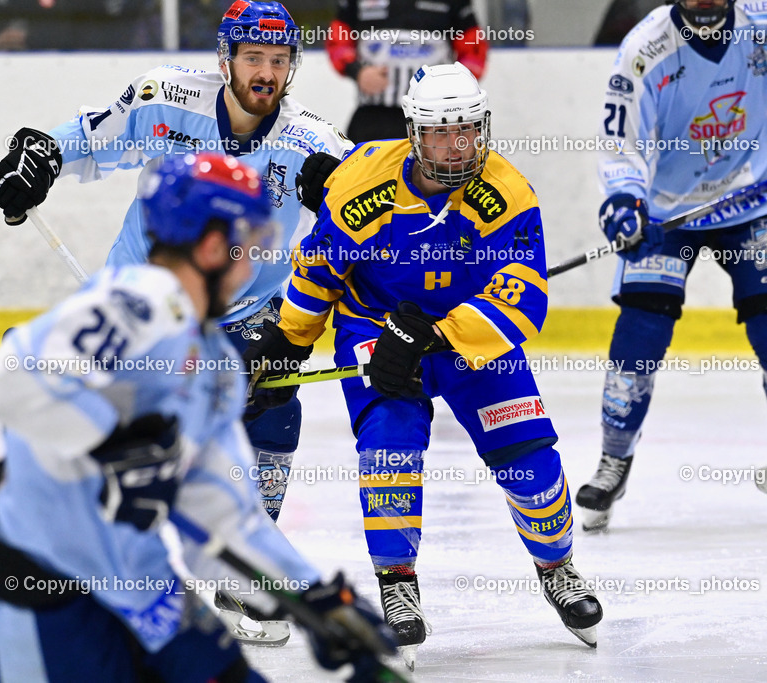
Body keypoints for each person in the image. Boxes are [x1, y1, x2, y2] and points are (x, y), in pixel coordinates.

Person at [0, 153, 395, 683]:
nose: (257, 261)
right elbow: (16, 375)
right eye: (251, 242)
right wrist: (112, 441)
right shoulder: (134, 303)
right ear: (214, 246)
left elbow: (224, 518)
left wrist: (317, 597)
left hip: (146, 594)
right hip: (41, 595)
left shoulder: (216, 366)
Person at [244, 62, 604, 669]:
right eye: (441, 132)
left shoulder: (509, 193)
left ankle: (557, 566)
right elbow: (320, 269)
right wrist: (289, 341)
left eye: (467, 131)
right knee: (388, 450)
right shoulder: (362, 182)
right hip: (377, 330)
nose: (457, 145)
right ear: (414, 132)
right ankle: (397, 581)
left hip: (469, 339)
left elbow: (523, 295)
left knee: (531, 463)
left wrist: (436, 334)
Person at [0, 0, 353, 525]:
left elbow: (372, 212)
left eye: (279, 59)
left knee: (271, 405)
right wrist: (40, 160)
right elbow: (91, 140)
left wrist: (348, 203)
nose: (267, 73)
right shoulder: (167, 96)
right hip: (143, 292)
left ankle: (249, 542)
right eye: (253, 57)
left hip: (247, 309)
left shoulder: (313, 143)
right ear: (224, 58)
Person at [575, 0, 767, 532]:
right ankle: (614, 457)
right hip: (667, 212)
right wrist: (624, 200)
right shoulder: (644, 50)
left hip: (756, 202)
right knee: (640, 330)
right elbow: (622, 143)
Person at [326, 0, 488, 143]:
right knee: (362, 174)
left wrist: (454, 89)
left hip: (434, 117)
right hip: (374, 115)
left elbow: (474, 49)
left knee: (434, 175)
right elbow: (337, 39)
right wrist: (357, 71)